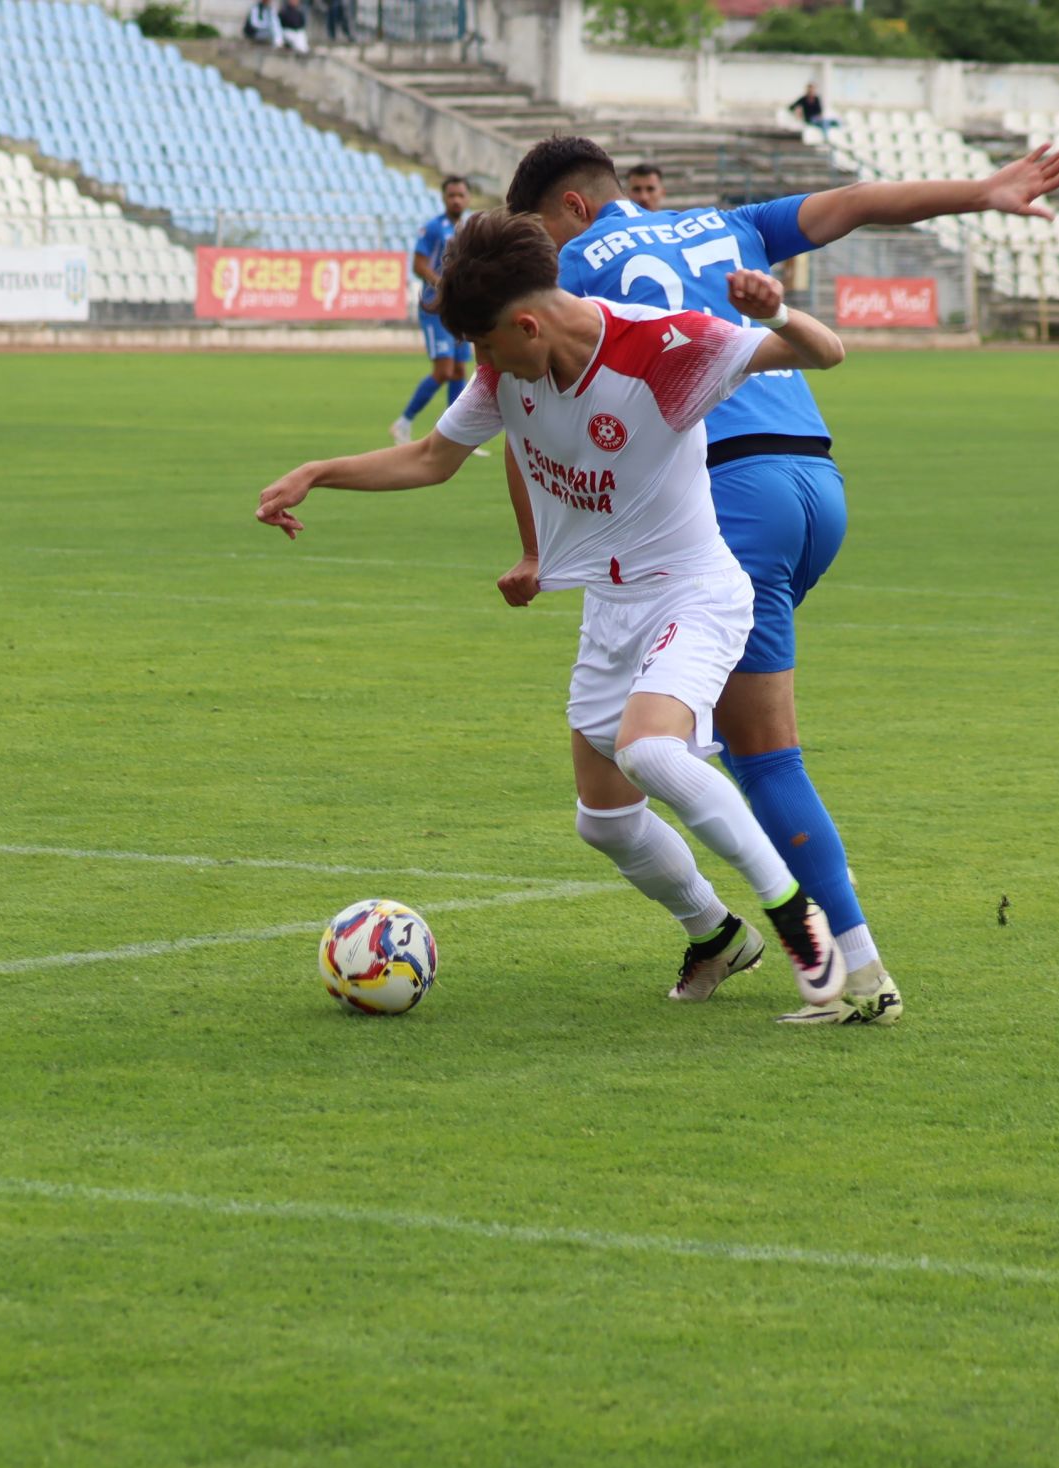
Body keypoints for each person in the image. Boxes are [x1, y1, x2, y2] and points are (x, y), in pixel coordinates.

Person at [503, 133, 1059, 1021]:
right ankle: (720, 931)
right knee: (613, 788)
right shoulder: (721, 224)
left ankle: (855, 972)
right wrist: (982, 190)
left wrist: (539, 548)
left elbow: (530, 407)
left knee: (759, 753)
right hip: (812, 481)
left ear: (569, 210)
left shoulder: (569, 265)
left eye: (536, 231)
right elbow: (854, 200)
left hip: (724, 502)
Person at [258, 211, 854, 1012]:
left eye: (487, 344)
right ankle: (717, 933)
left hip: (695, 589)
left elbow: (826, 352)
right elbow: (433, 459)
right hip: (613, 604)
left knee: (648, 753)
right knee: (604, 822)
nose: (481, 364)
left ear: (528, 323)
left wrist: (775, 310)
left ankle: (794, 916)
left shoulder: (663, 348)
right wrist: (317, 472)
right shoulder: (511, 370)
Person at [391, 175, 472, 445]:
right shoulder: (433, 229)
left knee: (460, 371)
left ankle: (455, 438)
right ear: (444, 198)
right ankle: (403, 422)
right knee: (444, 371)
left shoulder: (471, 228)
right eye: (452, 195)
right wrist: (441, 284)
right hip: (436, 307)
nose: (457, 199)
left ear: (467, 198)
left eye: (461, 195)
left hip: (460, 307)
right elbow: (418, 265)